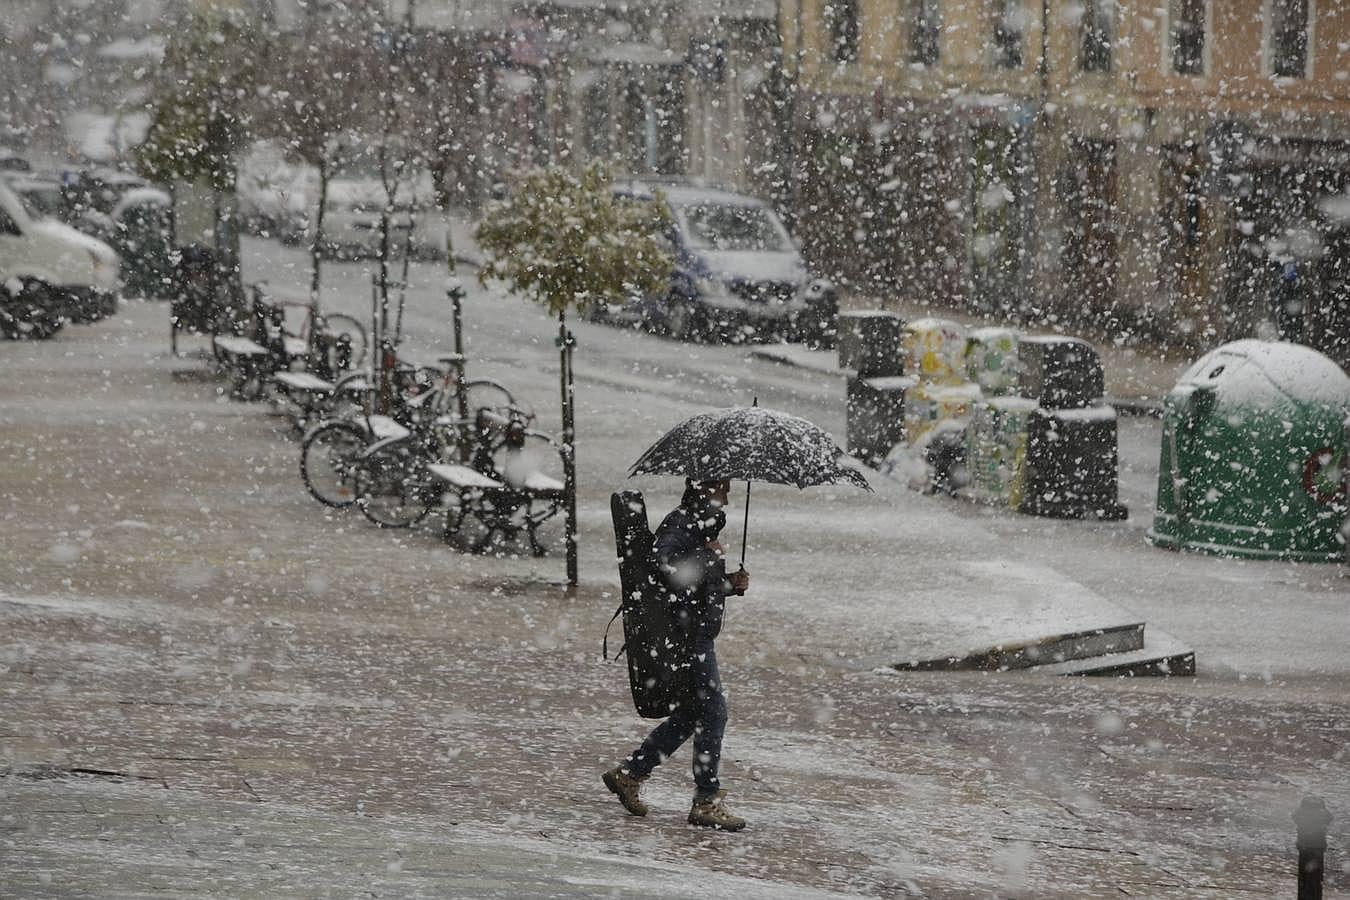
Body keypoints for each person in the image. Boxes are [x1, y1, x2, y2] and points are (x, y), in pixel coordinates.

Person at [603, 477, 751, 831]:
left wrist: (730, 583)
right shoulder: (683, 523)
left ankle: (631, 773)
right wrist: (708, 556)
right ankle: (705, 800)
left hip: (692, 634)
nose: (727, 495)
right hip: (688, 638)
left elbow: (695, 584)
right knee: (713, 713)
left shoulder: (699, 526)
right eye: (722, 487)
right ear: (704, 489)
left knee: (690, 714)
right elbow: (664, 566)